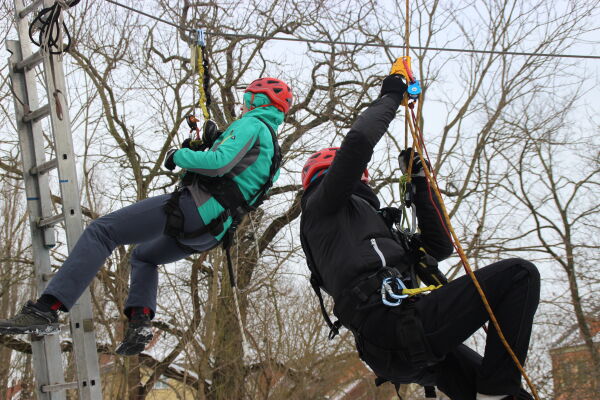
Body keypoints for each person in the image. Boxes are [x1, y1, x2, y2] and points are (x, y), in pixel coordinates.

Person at [0, 77, 293, 356]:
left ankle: (46, 309)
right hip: (213, 232)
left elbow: (218, 165)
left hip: (195, 208)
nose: (242, 106)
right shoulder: (274, 152)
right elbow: (238, 178)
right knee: (144, 257)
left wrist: (179, 155)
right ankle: (140, 323)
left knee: (102, 232)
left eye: (245, 100)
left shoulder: (251, 125)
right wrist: (212, 143)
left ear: (255, 100)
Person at [299, 66, 539, 400]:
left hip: (401, 341)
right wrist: (391, 95)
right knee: (519, 276)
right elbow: (357, 143)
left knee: (514, 398)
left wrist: (420, 184)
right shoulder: (321, 208)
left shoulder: (369, 233)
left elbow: (438, 247)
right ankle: (495, 391)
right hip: (391, 327)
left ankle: (498, 393)